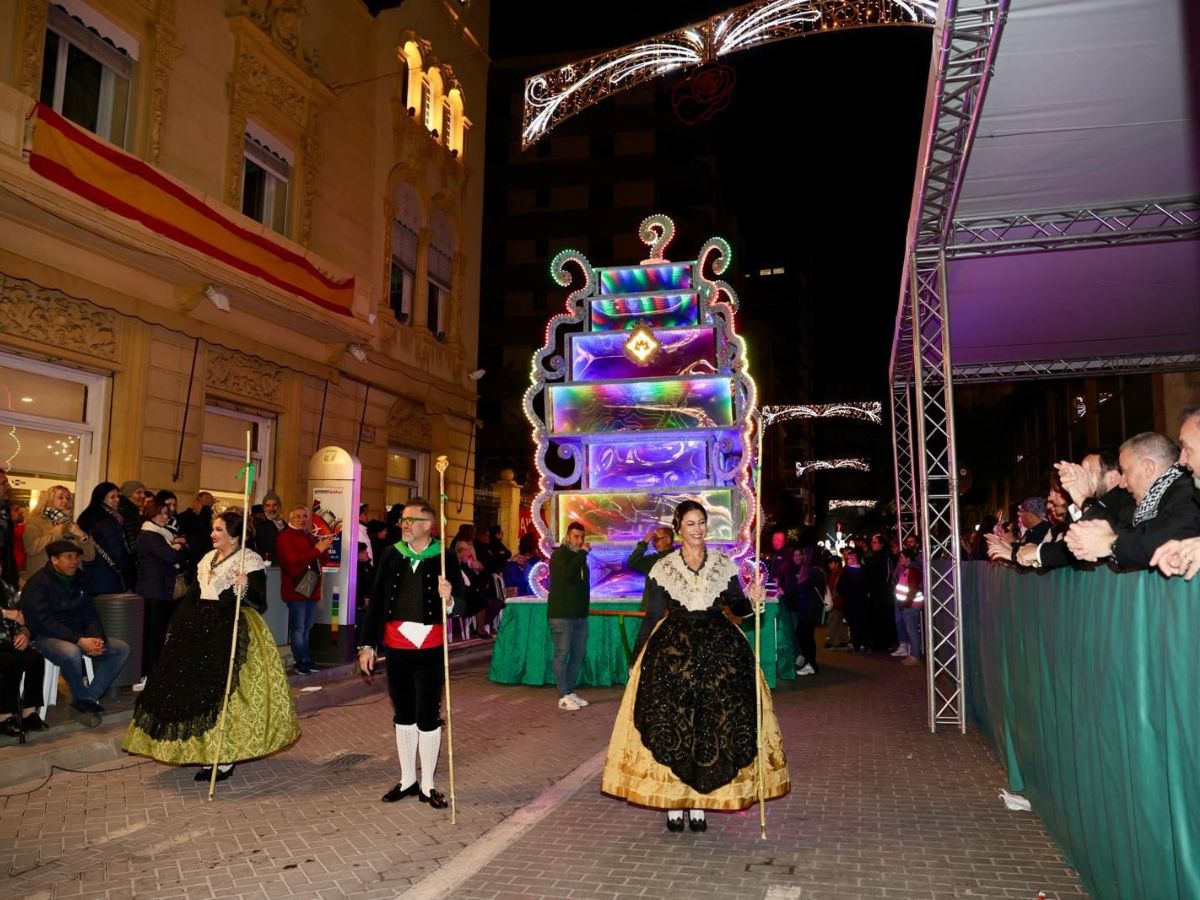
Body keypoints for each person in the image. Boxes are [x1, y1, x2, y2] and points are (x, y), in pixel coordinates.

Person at [601, 500, 790, 833]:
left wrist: (754, 600)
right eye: (690, 523)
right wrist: (638, 658)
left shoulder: (723, 564)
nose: (698, 529)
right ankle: (676, 802)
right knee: (677, 724)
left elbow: (739, 608)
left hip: (718, 653)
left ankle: (700, 802)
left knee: (710, 726)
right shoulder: (663, 566)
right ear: (679, 528)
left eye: (702, 522)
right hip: (675, 654)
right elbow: (651, 616)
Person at [122, 509, 300, 781]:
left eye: (218, 530)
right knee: (195, 695)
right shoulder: (206, 558)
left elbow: (259, 602)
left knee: (226, 695)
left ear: (234, 535)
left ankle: (224, 757)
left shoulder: (248, 559)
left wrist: (244, 588)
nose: (213, 534)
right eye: (213, 529)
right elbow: (192, 596)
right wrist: (176, 628)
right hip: (197, 630)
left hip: (231, 629)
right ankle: (204, 751)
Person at [358, 498, 465, 810]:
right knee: (403, 712)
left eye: (410, 520)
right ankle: (408, 779)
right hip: (397, 643)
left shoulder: (444, 557)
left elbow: (462, 604)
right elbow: (376, 601)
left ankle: (429, 785)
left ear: (427, 525)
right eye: (402, 520)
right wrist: (367, 645)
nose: (404, 525)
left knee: (427, 714)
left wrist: (449, 600)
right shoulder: (392, 553)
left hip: (430, 645)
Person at [21, 540, 131, 727]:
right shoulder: (38, 583)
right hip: (47, 636)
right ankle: (83, 701)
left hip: (79, 635)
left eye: (76, 557)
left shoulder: (80, 578)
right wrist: (79, 640)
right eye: (69, 557)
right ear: (54, 560)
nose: (75, 561)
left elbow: (89, 612)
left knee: (122, 649)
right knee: (71, 652)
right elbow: (43, 622)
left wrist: (96, 637)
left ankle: (86, 699)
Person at [275, 505, 334, 675]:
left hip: (310, 587)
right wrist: (317, 550)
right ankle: (300, 661)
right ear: (290, 518)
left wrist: (323, 549)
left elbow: (320, 558)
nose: (302, 519)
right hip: (296, 589)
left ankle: (306, 659)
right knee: (299, 627)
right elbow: (293, 562)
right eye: (298, 516)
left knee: (307, 626)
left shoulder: (308, 536)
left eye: (305, 516)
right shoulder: (285, 537)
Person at [136, 498, 188, 679]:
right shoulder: (150, 534)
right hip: (154, 591)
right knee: (153, 634)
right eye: (161, 513)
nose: (165, 517)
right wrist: (179, 545)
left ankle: (154, 671)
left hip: (161, 589)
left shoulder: (162, 534)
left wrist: (178, 548)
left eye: (167, 513)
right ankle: (149, 673)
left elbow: (178, 556)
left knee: (159, 633)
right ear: (152, 513)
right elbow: (171, 556)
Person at [548, 522, 591, 711]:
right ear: (567, 536)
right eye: (576, 536)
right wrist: (582, 554)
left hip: (579, 615)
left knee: (578, 654)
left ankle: (570, 691)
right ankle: (563, 695)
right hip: (562, 615)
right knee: (561, 654)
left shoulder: (578, 557)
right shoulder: (559, 555)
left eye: (582, 537)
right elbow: (566, 574)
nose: (580, 540)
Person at [22, 485, 95, 583]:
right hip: (43, 581)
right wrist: (57, 532)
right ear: (48, 500)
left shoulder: (71, 524)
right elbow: (31, 548)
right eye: (60, 497)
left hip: (70, 583)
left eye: (68, 498)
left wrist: (82, 536)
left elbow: (89, 556)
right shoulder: (35, 521)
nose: (65, 501)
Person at [1, 578, 46, 736]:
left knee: (35, 659)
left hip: (9, 641)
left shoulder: (7, 588)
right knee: (11, 662)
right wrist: (5, 613)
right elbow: (12, 614)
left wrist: (24, 633)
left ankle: (29, 712)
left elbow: (23, 619)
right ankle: (4, 716)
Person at [77, 482, 135, 595]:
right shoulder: (107, 520)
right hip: (107, 574)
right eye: (112, 497)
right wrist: (129, 571)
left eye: (118, 496)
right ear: (102, 499)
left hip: (92, 571)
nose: (117, 499)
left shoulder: (88, 515)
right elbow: (117, 551)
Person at [628, 525, 675, 658]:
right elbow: (632, 562)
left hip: (670, 613)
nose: (655, 543)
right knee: (643, 648)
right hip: (653, 612)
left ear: (668, 539)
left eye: (657, 539)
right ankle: (637, 676)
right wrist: (644, 543)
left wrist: (671, 608)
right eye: (653, 541)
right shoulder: (653, 560)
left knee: (664, 649)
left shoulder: (679, 559)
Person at [779, 545, 825, 676]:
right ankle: (809, 662)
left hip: (810, 609)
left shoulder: (815, 572)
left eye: (804, 555)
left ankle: (811, 664)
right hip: (808, 608)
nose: (802, 557)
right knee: (803, 634)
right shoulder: (815, 570)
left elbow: (802, 587)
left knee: (805, 636)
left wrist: (786, 591)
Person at [254, 490, 286, 561]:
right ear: (264, 508)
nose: (271, 509)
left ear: (279, 506)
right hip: (264, 566)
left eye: (274, 505)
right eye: (268, 505)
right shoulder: (258, 525)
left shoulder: (285, 526)